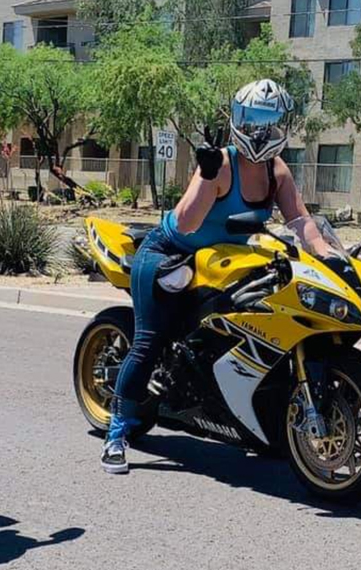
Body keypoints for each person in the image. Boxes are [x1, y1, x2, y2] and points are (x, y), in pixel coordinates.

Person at [101, 79, 324, 474]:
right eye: (253, 119)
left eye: (269, 121)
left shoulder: (277, 172)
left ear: (283, 126)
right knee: (149, 342)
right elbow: (186, 223)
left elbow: (301, 221)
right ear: (237, 119)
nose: (260, 130)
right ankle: (117, 433)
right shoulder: (219, 164)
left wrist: (329, 256)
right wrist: (204, 178)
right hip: (170, 254)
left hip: (225, 260)